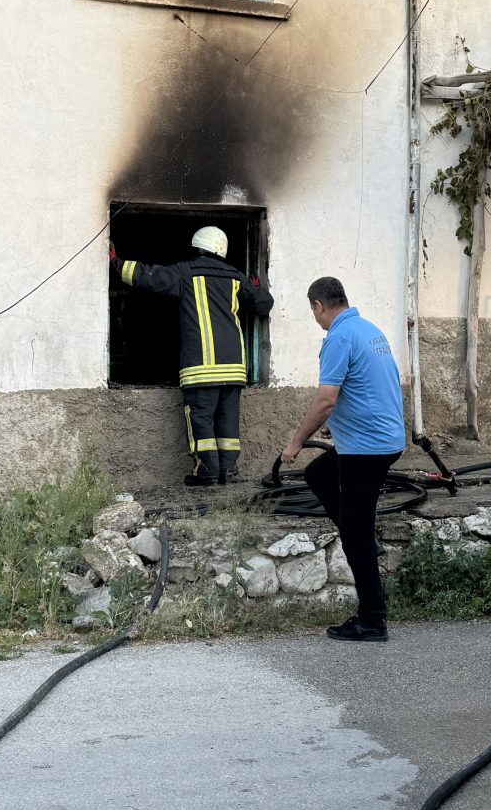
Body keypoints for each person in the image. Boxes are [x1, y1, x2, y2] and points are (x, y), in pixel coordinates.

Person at [279, 276, 407, 643]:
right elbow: (372, 385)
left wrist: (295, 443)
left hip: (366, 449)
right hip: (383, 439)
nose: (316, 318)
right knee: (319, 473)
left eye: (314, 312)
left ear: (319, 306)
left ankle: (372, 620)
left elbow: (326, 399)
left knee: (355, 534)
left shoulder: (338, 337)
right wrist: (340, 427)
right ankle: (362, 534)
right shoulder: (369, 331)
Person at [116, 226, 271, 487]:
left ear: (198, 247)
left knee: (200, 418)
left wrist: (116, 263)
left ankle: (208, 470)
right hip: (234, 369)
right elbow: (263, 304)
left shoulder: (186, 272)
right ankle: (229, 470)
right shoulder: (236, 277)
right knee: (227, 421)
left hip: (201, 368)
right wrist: (256, 288)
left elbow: (150, 277)